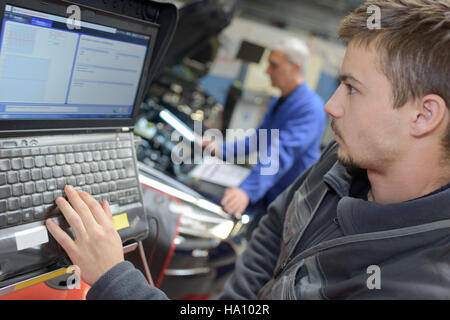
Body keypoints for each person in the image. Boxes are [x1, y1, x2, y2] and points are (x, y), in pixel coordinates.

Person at [46, 0, 450, 299]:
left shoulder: (415, 286)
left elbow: (279, 156)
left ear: (423, 115)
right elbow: (276, 216)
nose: (333, 105)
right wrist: (219, 146)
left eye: (352, 88)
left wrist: (114, 276)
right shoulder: (343, 160)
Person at [203, 38, 326, 217]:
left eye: (274, 66)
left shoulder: (310, 109)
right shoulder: (279, 101)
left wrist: (247, 190)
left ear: (296, 68)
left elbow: (280, 153)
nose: (267, 71)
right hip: (272, 189)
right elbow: (258, 140)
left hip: (291, 200)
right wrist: (219, 149)